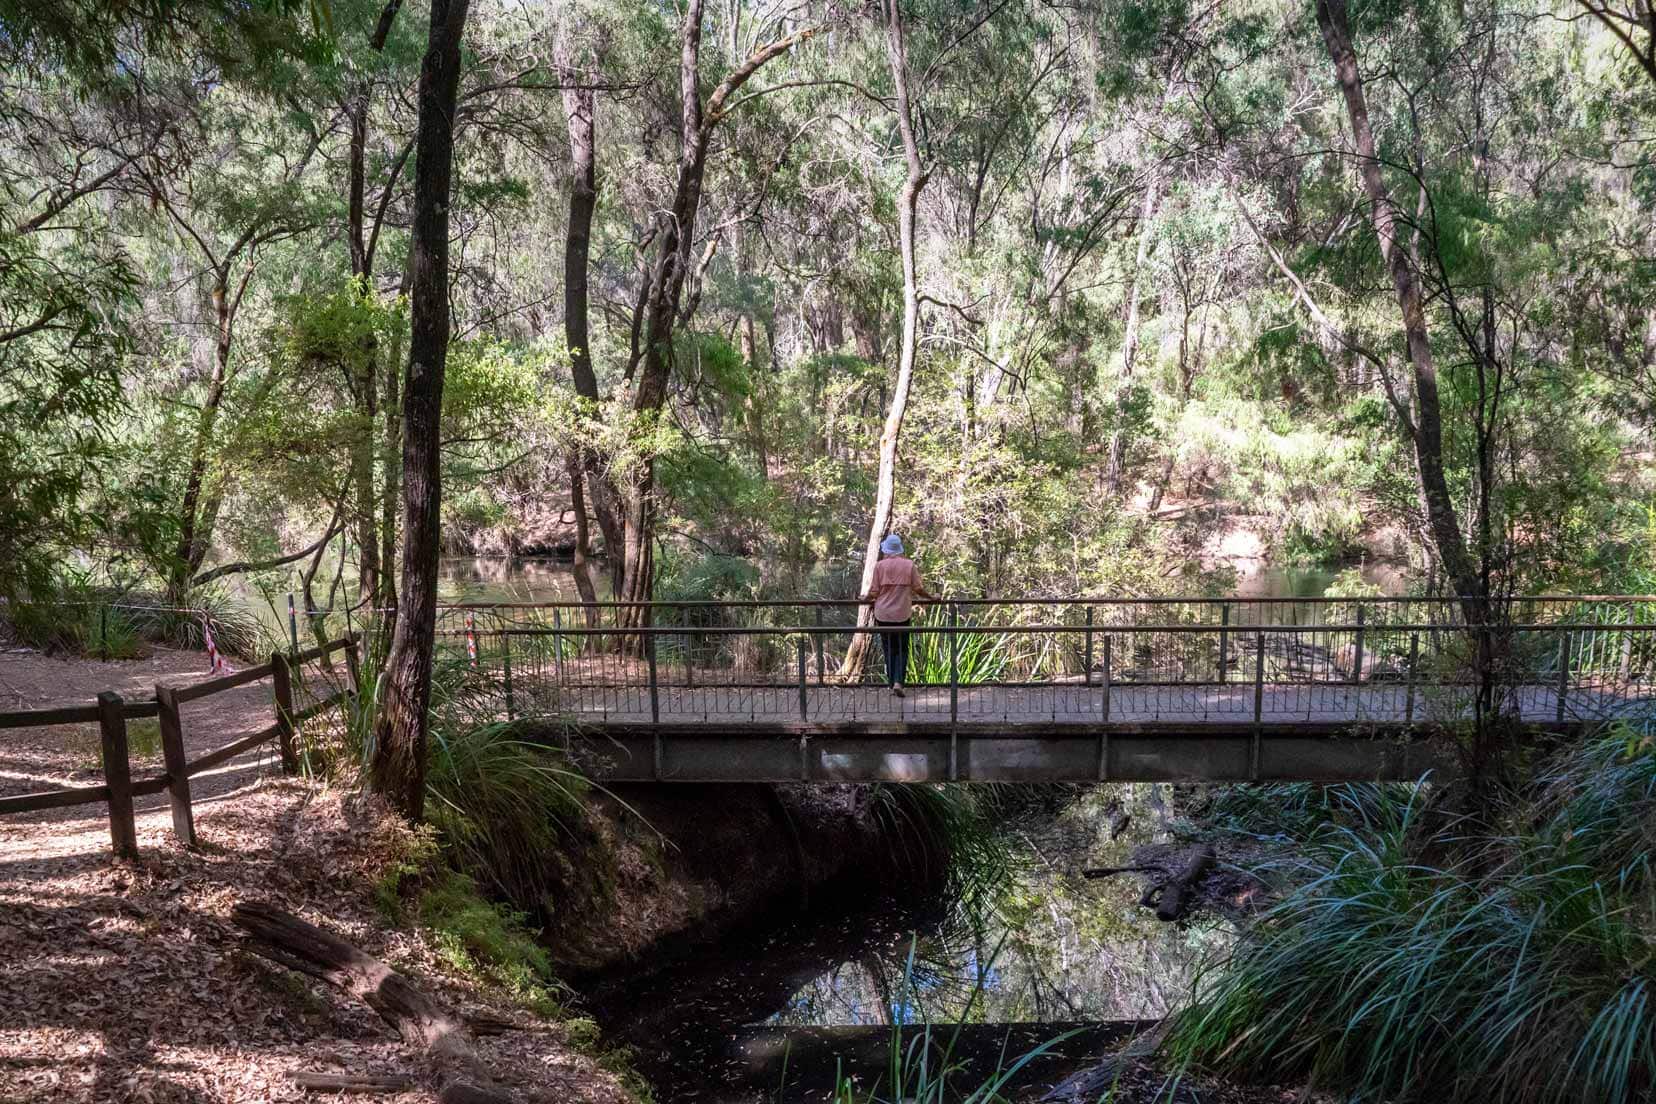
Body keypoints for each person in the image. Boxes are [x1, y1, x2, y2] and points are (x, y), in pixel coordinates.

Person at [863, 533, 937, 694]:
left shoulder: (879, 566)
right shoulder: (909, 565)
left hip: (883, 615)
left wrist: (864, 598)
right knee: (902, 649)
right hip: (902, 614)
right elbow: (918, 589)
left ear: (887, 550)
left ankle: (891, 683)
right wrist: (932, 597)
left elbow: (874, 592)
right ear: (899, 550)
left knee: (889, 648)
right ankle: (898, 682)